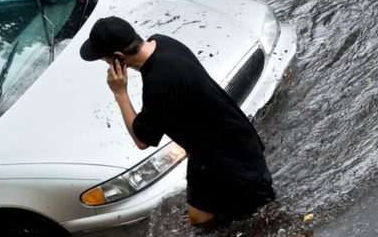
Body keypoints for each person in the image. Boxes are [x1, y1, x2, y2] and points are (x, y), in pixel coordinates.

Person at [80, 16, 275, 225]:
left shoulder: (159, 82)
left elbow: (141, 140)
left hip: (233, 162)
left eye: (105, 59)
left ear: (118, 57)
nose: (107, 64)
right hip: (211, 151)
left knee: (264, 220)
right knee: (199, 219)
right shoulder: (163, 42)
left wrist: (120, 93)